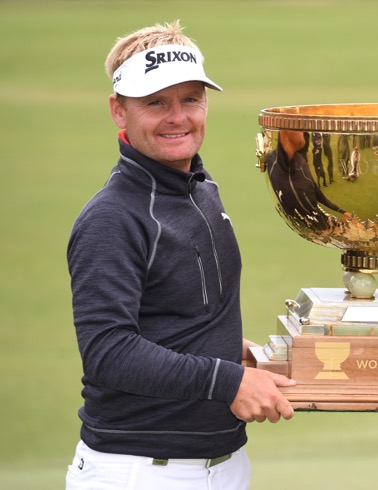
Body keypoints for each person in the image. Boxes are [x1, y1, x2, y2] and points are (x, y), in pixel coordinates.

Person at [65, 21, 295, 490]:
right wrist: (225, 381)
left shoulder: (199, 189)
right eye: (155, 102)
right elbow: (108, 352)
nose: (178, 117)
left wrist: (237, 352)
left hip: (221, 465)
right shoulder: (113, 217)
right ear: (118, 110)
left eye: (190, 99)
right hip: (139, 470)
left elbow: (178, 315)